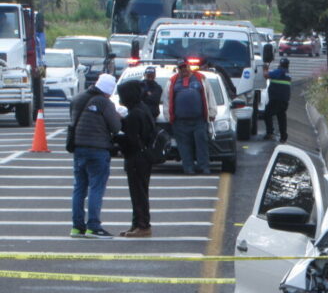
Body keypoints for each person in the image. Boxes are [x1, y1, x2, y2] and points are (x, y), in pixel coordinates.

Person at [69, 73, 121, 238]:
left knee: (79, 188)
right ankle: (93, 226)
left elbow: (73, 120)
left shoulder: (78, 99)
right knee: (96, 188)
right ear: (108, 90)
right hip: (98, 149)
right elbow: (115, 126)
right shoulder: (104, 102)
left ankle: (77, 227)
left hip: (78, 147)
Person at [162, 58, 217, 174]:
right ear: (178, 69)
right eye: (180, 68)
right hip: (180, 122)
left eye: (185, 67)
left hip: (199, 120)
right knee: (184, 146)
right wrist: (168, 116)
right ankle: (188, 168)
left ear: (189, 67)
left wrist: (212, 112)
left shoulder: (200, 78)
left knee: (201, 144)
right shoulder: (172, 81)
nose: (183, 70)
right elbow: (166, 100)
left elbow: (209, 95)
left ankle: (204, 167)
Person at [116, 80, 155, 237]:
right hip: (145, 156)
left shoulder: (134, 114)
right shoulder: (143, 109)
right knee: (139, 192)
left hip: (136, 157)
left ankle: (143, 225)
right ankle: (136, 224)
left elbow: (131, 139)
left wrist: (116, 138)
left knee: (138, 193)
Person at [262, 57, 291, 143]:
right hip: (284, 100)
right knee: (281, 117)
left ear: (280, 65)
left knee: (267, 114)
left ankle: (270, 132)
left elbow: (266, 75)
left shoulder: (279, 72)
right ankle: (283, 136)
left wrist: (265, 68)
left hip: (276, 99)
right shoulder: (288, 74)